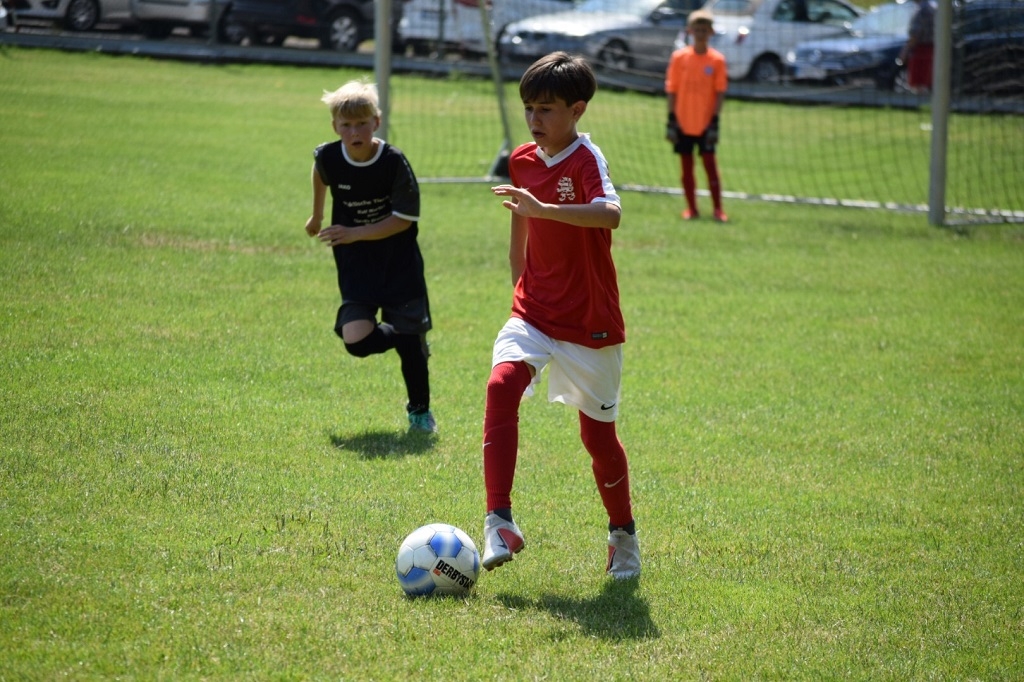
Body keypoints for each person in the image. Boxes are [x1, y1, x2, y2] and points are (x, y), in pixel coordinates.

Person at [483, 52, 640, 580]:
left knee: (598, 439)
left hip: (591, 323)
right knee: (501, 385)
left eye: (546, 109)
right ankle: (499, 521)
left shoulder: (586, 159)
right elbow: (519, 236)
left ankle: (623, 536)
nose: (534, 119)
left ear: (577, 110)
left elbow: (611, 214)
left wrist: (546, 209)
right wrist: (519, 297)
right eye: (529, 108)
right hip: (534, 311)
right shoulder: (523, 160)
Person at [305, 80, 436, 434]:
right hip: (356, 264)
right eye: (346, 125)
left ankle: (420, 412)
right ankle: (408, 335)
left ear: (376, 122)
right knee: (356, 341)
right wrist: (316, 215)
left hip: (399, 262)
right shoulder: (330, 156)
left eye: (362, 123)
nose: (354, 132)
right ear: (335, 127)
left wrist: (353, 232)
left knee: (410, 351)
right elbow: (320, 171)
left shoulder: (392, 162)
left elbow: (403, 220)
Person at [665, 9, 729, 223]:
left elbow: (720, 92)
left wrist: (715, 121)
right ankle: (691, 209)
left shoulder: (717, 60)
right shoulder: (679, 57)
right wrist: (671, 119)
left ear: (711, 32)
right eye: (697, 29)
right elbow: (672, 89)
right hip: (683, 122)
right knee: (686, 167)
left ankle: (718, 209)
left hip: (706, 123)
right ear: (690, 31)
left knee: (710, 165)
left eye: (704, 30)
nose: (701, 34)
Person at [900, 0, 936, 93]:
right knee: (926, 83)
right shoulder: (933, 8)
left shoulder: (921, 10)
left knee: (918, 85)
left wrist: (905, 51)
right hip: (931, 50)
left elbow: (915, 35)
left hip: (920, 51)